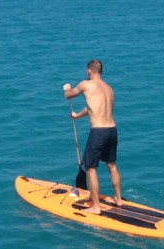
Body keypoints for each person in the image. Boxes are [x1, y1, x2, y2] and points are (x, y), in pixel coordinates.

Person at [62, 59, 122, 214]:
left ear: (89, 71)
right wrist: (77, 115)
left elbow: (69, 95)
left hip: (98, 132)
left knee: (90, 168)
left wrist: (66, 88)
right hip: (112, 130)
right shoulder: (109, 89)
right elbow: (94, 108)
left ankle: (96, 207)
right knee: (112, 165)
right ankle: (118, 199)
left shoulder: (86, 84)